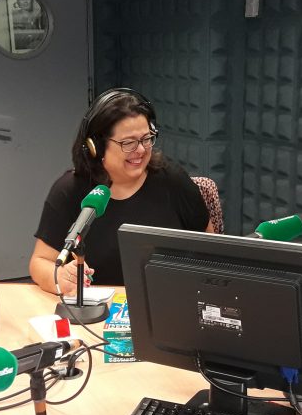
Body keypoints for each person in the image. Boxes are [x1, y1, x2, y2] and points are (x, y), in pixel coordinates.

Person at [30, 88, 213, 296]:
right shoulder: (70, 190)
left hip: (169, 301)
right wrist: (61, 277)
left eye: (146, 138)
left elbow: (210, 248)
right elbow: (40, 261)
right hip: (98, 308)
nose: (141, 150)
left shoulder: (173, 181)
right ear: (96, 146)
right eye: (129, 143)